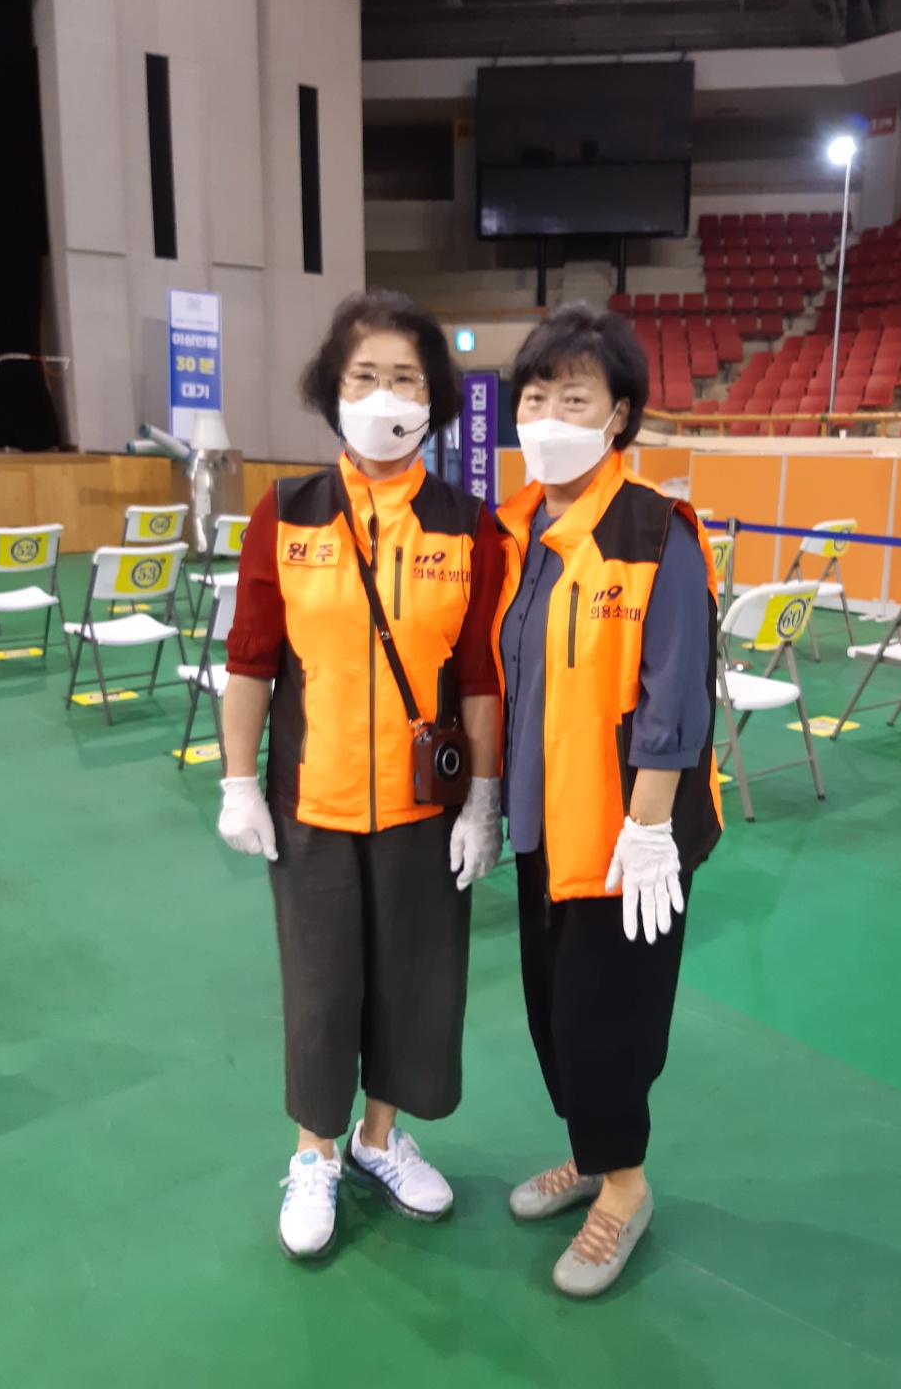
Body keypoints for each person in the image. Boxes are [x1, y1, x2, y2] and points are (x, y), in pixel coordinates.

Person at [218, 289, 504, 1262]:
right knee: (321, 984)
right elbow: (251, 660)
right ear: (332, 390)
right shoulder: (287, 513)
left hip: (425, 807)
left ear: (434, 398)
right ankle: (316, 1153)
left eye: (406, 379)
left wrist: (484, 801)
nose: (386, 396)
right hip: (314, 801)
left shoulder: (468, 525)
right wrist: (238, 781)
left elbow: (481, 676)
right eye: (366, 376)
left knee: (414, 979)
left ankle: (380, 1139)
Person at [494, 303, 722, 1298]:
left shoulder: (655, 532)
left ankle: (624, 1188)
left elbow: (675, 697)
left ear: (620, 415)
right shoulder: (519, 531)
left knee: (606, 1024)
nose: (550, 417)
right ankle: (591, 1156)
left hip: (628, 841)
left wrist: (649, 826)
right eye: (536, 397)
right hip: (542, 827)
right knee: (553, 1016)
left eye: (575, 399)